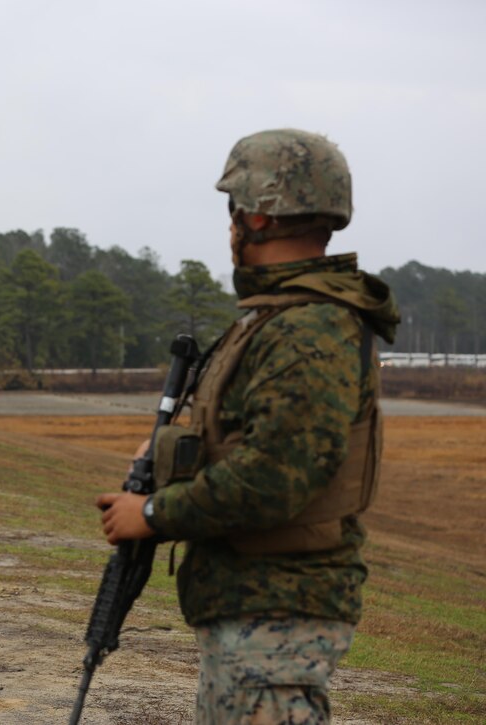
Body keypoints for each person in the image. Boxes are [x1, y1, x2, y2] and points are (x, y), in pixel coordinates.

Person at [96, 129, 400, 724]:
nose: (230, 224)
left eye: (234, 207)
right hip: (255, 602)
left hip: (279, 608)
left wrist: (154, 514)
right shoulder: (281, 319)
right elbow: (250, 444)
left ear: (258, 217)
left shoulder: (307, 329)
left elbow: (273, 477)